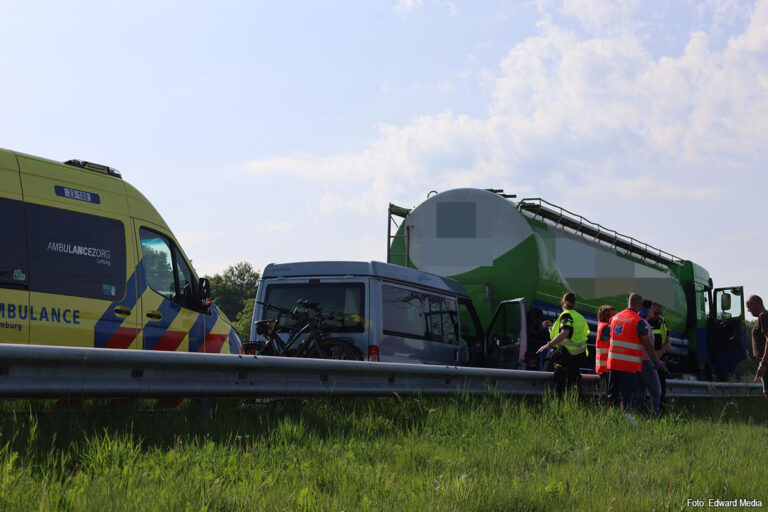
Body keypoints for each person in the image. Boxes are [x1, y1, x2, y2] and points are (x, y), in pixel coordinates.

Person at [607, 293, 662, 410]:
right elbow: (648, 346)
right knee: (626, 396)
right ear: (640, 305)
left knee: (613, 394)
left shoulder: (615, 318)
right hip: (628, 365)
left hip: (613, 363)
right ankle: (625, 420)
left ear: (628, 302)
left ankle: (611, 418)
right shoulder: (638, 322)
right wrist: (656, 361)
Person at [537, 292, 590, 396]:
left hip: (567, 355)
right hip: (579, 355)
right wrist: (553, 326)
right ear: (575, 304)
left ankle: (561, 406)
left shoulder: (566, 315)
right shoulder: (580, 317)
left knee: (561, 384)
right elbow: (574, 334)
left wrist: (548, 344)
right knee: (573, 382)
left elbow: (565, 333)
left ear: (562, 303)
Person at [634, 304, 664, 417]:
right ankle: (653, 418)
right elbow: (649, 347)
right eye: (652, 310)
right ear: (646, 311)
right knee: (656, 392)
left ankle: (633, 416)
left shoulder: (639, 323)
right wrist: (656, 361)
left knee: (639, 393)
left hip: (637, 361)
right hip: (646, 361)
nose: (654, 312)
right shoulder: (645, 325)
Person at [746, 295, 768, 403]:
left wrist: (764, 363)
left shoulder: (763, 316)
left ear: (756, 303)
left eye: (749, 307)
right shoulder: (762, 316)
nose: (748, 310)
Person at [649, 302, 671, 410]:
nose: (657, 315)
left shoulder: (662, 322)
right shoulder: (644, 321)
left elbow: (668, 342)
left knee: (661, 390)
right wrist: (655, 357)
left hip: (659, 361)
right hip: (647, 360)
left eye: (660, 313)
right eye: (656, 313)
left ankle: (660, 415)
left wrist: (659, 353)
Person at [595, 305, 616, 389]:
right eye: (613, 315)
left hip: (603, 367)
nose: (615, 318)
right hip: (606, 368)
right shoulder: (607, 327)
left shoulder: (602, 325)